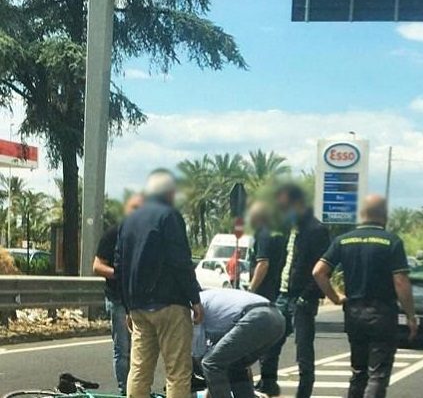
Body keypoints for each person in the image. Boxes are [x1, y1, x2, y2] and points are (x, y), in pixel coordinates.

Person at [313, 195, 417, 398]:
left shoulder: (343, 240)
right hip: (382, 314)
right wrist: (411, 315)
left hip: (353, 313)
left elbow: (318, 272)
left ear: (361, 215)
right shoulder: (391, 242)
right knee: (377, 374)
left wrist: (335, 297)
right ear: (384, 215)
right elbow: (401, 282)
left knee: (358, 372)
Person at [116, 169, 204, 398]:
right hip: (170, 304)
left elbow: (120, 266)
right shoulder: (169, 216)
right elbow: (180, 261)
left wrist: (128, 306)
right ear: (169, 193)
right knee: (176, 372)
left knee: (139, 370)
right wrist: (194, 298)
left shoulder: (129, 221)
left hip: (138, 307)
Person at [260, 183, 330, 398]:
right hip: (282, 296)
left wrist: (306, 295)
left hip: (302, 300)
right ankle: (268, 386)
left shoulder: (316, 230)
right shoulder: (289, 229)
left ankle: (303, 394)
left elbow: (322, 267)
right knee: (269, 345)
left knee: (303, 353)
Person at [192, 288, 286, 398]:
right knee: (235, 366)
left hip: (257, 317)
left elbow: (199, 353)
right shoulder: (211, 300)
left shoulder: (192, 306)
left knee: (211, 364)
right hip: (276, 318)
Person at [92, 193, 143, 394]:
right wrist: (120, 274)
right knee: (123, 349)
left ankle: (137, 389)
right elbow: (97, 266)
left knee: (139, 350)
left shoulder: (146, 237)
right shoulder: (114, 234)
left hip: (139, 300)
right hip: (118, 298)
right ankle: (125, 391)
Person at [246, 200, 287, 393]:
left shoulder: (263, 233)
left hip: (265, 293)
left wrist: (251, 290)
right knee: (272, 340)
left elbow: (263, 263)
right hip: (278, 290)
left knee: (262, 341)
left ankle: (267, 382)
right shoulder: (280, 232)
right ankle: (269, 380)